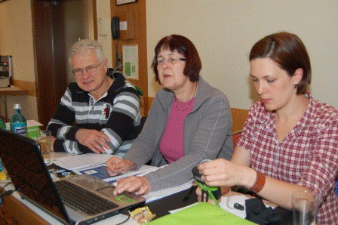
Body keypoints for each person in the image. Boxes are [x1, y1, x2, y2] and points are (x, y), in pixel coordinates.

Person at [196, 32, 338, 224]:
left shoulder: (328, 121)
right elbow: (236, 169)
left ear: (297, 76)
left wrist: (248, 177)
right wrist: (216, 185)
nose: (260, 90)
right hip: (266, 218)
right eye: (255, 79)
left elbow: (307, 198)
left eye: (270, 80)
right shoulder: (258, 112)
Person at [106, 34, 233, 195]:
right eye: (160, 60)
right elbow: (146, 141)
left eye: (172, 59)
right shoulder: (162, 97)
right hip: (169, 183)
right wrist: (128, 162)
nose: (164, 65)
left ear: (191, 63)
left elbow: (199, 158)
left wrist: (149, 181)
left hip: (206, 190)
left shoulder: (215, 102)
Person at [47, 39, 141, 157]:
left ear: (105, 65)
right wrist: (78, 134)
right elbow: (52, 127)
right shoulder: (73, 90)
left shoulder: (127, 93)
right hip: (84, 163)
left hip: (120, 169)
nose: (85, 76)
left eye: (90, 68)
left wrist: (56, 144)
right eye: (78, 70)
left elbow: (104, 148)